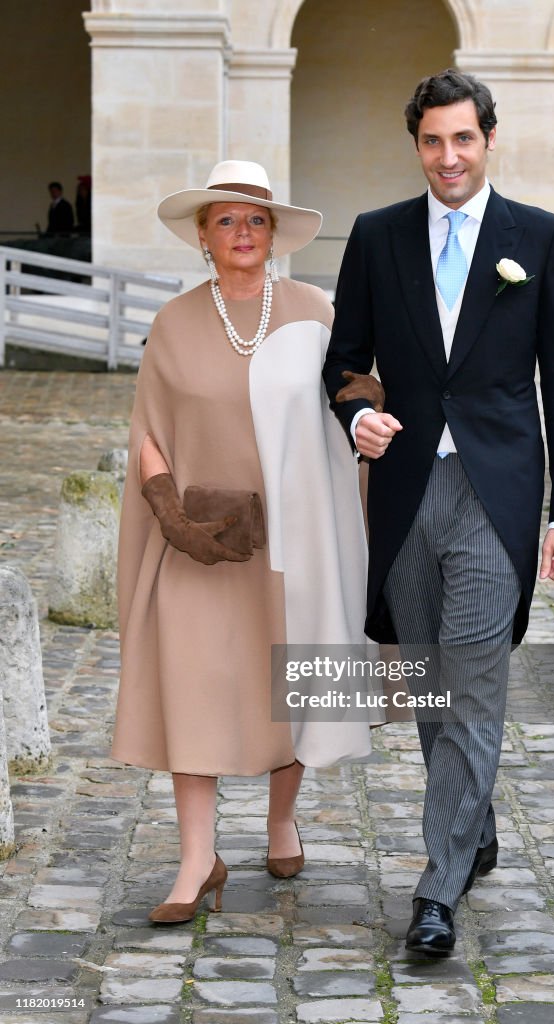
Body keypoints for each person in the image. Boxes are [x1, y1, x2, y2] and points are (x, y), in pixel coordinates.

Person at [323, 69, 554, 956]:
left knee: (473, 685)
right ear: (416, 145)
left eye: (462, 139)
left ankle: (436, 890)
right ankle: (471, 828)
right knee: (433, 687)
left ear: (487, 139)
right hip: (403, 492)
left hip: (496, 495)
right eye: (432, 141)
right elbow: (344, 361)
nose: (448, 156)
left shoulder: (542, 240)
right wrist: (358, 414)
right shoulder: (376, 236)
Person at [112, 160, 379, 924]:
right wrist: (171, 513)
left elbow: (354, 389)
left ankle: (280, 820)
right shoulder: (172, 323)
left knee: (286, 688)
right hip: (198, 543)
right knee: (193, 686)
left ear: (274, 233)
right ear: (203, 234)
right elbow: (148, 433)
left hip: (294, 537)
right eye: (225, 219)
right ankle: (198, 860)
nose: (242, 232)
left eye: (255, 219)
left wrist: (372, 410)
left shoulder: (314, 311)